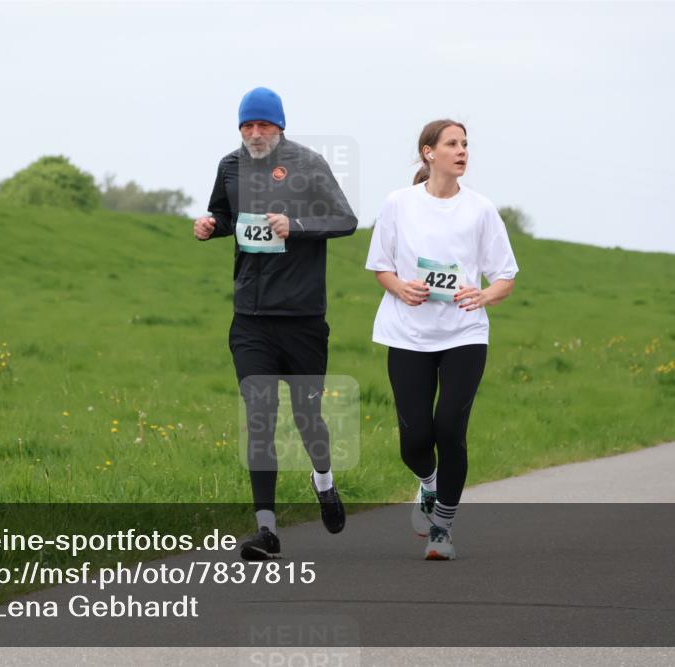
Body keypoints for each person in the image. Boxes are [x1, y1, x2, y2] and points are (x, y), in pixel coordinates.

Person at [193, 87, 358, 560]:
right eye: (247, 126)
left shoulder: (308, 164)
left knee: (308, 419)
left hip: (303, 318)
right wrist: (211, 227)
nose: (255, 133)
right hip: (250, 318)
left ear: (280, 126)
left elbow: (345, 219)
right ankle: (266, 530)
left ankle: (323, 481)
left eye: (263, 125)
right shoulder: (230, 166)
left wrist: (297, 225)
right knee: (260, 417)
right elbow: (226, 216)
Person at [364, 119, 519, 560]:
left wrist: (482, 293)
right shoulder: (398, 204)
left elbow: (505, 276)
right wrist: (400, 287)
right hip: (408, 333)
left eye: (466, 144)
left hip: (464, 334)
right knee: (414, 441)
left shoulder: (481, 209)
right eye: (452, 143)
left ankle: (442, 530)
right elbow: (380, 266)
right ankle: (428, 484)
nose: (462, 150)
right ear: (429, 153)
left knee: (450, 427)